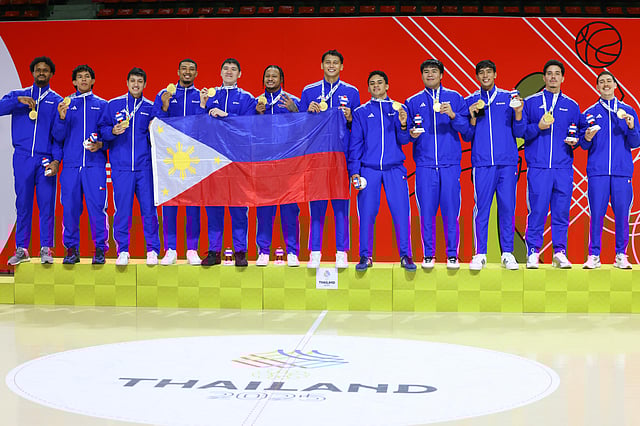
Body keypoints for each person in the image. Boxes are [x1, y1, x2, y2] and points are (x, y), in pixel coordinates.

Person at [515, 59, 580, 269]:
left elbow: (579, 132)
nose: (553, 77)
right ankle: (533, 251)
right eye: (550, 73)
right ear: (544, 78)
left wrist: (577, 140)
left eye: (557, 73)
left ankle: (559, 252)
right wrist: (539, 126)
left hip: (563, 168)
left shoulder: (572, 105)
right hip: (539, 167)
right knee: (537, 211)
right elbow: (521, 131)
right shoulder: (531, 102)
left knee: (561, 212)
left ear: (563, 78)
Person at [405, 59, 469, 270]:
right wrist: (411, 134)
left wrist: (453, 115)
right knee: (426, 213)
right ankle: (428, 255)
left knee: (451, 212)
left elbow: (467, 131)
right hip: (425, 166)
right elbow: (406, 135)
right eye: (426, 71)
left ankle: (452, 255)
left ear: (441, 75)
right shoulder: (413, 101)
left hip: (449, 165)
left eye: (434, 71)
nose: (430, 74)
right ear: (422, 75)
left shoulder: (455, 98)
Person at [348, 70, 416, 271]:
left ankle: (406, 255)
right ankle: (365, 255)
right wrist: (354, 171)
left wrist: (403, 124)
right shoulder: (361, 112)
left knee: (401, 213)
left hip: (395, 169)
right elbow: (356, 144)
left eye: (379, 82)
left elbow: (405, 140)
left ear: (387, 86)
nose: (376, 86)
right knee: (366, 214)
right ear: (368, 88)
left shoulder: (399, 108)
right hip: (369, 171)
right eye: (372, 83)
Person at [299, 49, 360, 269]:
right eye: (328, 62)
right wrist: (307, 113)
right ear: (321, 65)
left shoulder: (352, 92)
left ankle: (341, 252)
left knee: (341, 206)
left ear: (342, 66)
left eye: (335, 62)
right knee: (316, 205)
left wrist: (350, 117)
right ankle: (315, 252)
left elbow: (357, 127)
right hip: (316, 156)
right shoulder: (309, 91)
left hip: (341, 156)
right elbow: (301, 126)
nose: (331, 65)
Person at [0, 56, 62, 265]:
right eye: (38, 70)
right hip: (23, 157)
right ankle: (21, 249)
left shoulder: (56, 100)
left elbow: (58, 136)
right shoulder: (18, 95)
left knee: (47, 204)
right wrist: (17, 101)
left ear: (51, 74)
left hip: (45, 159)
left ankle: (46, 248)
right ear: (33, 73)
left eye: (45, 70)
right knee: (23, 204)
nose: (41, 72)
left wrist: (56, 160)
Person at [99, 67, 160, 265]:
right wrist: (112, 131)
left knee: (149, 211)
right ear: (127, 83)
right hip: (121, 168)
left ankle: (152, 250)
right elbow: (102, 130)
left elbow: (158, 136)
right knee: (122, 211)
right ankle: (123, 250)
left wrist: (154, 131)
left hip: (145, 168)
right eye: (133, 81)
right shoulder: (113, 105)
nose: (136, 84)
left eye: (140, 81)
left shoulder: (150, 107)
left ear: (145, 84)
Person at [463, 60, 521, 271]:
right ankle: (480, 253)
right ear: (477, 76)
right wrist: (471, 118)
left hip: (507, 163)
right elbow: (467, 135)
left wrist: (518, 112)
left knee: (507, 207)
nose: (485, 75)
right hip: (482, 163)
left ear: (495, 74)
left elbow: (520, 130)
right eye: (481, 73)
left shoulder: (509, 98)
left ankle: (508, 253)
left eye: (489, 72)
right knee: (482, 209)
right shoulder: (470, 101)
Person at [579, 71, 640, 269]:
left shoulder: (628, 111)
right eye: (601, 82)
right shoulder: (589, 113)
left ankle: (621, 255)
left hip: (622, 172)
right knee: (596, 214)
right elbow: (584, 145)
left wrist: (631, 127)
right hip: (598, 172)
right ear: (597, 87)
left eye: (609, 81)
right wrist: (587, 137)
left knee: (622, 214)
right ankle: (593, 255)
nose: (605, 84)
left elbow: (636, 142)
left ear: (615, 85)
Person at [200, 58, 257, 267]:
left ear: (240, 74)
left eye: (233, 69)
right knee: (214, 207)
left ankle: (240, 251)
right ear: (220, 72)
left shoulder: (247, 98)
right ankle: (214, 251)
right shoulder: (211, 95)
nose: (229, 72)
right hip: (213, 159)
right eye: (226, 68)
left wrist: (227, 115)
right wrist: (203, 106)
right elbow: (199, 126)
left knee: (238, 207)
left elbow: (249, 126)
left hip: (236, 160)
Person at [52, 65, 109, 265]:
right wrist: (61, 118)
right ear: (74, 82)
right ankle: (71, 250)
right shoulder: (65, 104)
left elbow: (108, 134)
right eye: (79, 77)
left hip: (95, 166)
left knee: (97, 208)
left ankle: (100, 249)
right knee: (69, 209)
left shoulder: (103, 105)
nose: (83, 80)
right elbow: (57, 137)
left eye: (87, 77)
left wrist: (101, 144)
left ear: (93, 81)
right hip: (71, 167)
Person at [153, 59, 206, 265]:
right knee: (170, 205)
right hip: (170, 159)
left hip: (193, 159)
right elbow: (155, 122)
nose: (187, 72)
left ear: (196, 73)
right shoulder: (164, 94)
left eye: (191, 69)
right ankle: (170, 249)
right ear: (178, 71)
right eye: (184, 69)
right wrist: (165, 107)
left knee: (193, 206)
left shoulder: (200, 96)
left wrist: (203, 106)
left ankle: (192, 249)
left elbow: (204, 125)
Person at [254, 65, 301, 267]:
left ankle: (292, 252)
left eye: (274, 76)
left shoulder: (292, 101)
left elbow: (306, 128)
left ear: (281, 79)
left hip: (288, 164)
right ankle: (264, 251)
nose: (270, 79)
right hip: (264, 164)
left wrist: (295, 111)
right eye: (267, 76)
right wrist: (255, 115)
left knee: (290, 209)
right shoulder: (256, 103)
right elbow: (247, 131)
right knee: (264, 209)